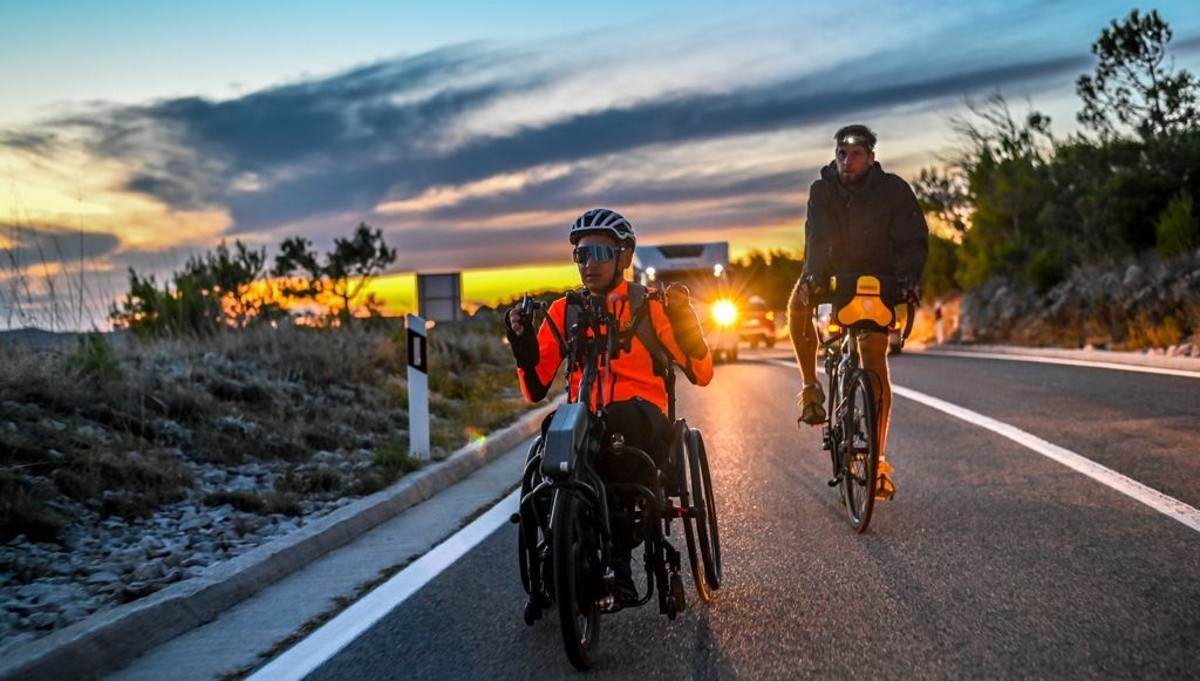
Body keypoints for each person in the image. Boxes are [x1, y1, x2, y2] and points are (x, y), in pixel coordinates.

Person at [506, 207, 714, 600]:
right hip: (585, 420)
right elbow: (535, 388)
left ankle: (618, 564)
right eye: (581, 255)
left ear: (624, 258)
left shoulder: (653, 306)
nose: (589, 264)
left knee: (617, 426)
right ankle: (561, 551)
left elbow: (702, 373)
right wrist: (523, 344)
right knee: (554, 432)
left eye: (599, 253)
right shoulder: (563, 312)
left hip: (642, 420)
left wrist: (686, 324)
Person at [788, 125, 928, 499]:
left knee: (874, 357)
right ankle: (809, 388)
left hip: (880, 279)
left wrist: (908, 280)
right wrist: (813, 277)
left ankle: (878, 460)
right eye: (840, 154)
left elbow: (913, 241)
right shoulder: (823, 190)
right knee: (796, 301)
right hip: (835, 275)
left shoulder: (894, 190)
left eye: (854, 154)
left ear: (870, 157)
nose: (845, 161)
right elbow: (817, 236)